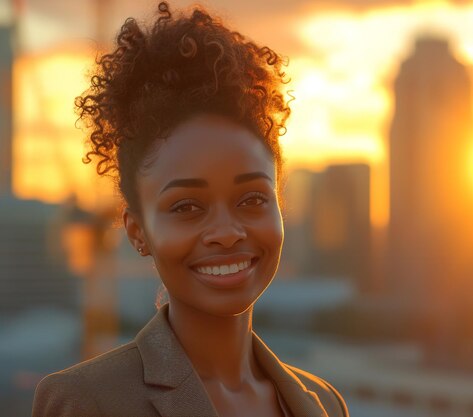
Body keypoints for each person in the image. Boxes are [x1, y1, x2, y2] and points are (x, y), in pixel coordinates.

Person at [32, 2, 349, 416]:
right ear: (137, 231)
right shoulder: (85, 402)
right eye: (187, 207)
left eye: (252, 199)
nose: (227, 231)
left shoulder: (324, 402)